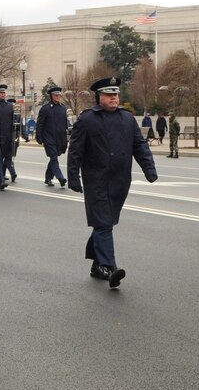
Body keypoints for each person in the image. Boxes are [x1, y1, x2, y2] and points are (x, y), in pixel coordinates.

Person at [67, 76, 157, 288]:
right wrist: (73, 177)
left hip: (120, 181)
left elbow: (140, 146)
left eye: (116, 94)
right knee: (104, 223)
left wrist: (149, 169)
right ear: (99, 97)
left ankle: (97, 264)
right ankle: (110, 267)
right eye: (109, 95)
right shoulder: (87, 120)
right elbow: (75, 151)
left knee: (105, 223)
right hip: (96, 181)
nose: (114, 98)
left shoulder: (127, 118)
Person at [35, 84, 68, 187]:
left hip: (60, 138)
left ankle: (48, 178)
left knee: (54, 158)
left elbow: (66, 124)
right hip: (48, 137)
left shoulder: (63, 108)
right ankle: (60, 177)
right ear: (51, 96)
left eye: (58, 95)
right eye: (55, 95)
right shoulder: (45, 109)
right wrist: (39, 137)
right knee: (53, 157)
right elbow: (40, 124)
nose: (57, 97)